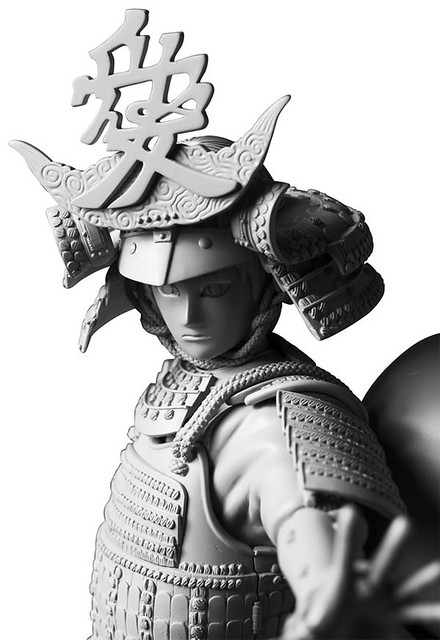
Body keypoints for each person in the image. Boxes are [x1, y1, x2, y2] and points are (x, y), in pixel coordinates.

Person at [11, 10, 439, 639]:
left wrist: (327, 586)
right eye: (168, 291)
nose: (189, 316)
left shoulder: (279, 419)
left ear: (263, 280)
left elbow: (303, 515)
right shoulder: (180, 388)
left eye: (213, 288)